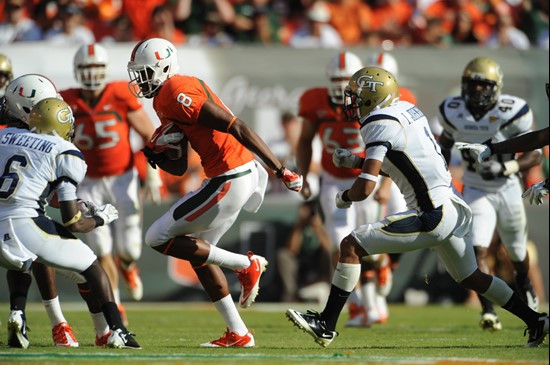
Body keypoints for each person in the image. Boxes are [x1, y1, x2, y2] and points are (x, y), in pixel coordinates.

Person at [286, 66, 549, 349]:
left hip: (431, 214)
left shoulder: (377, 122)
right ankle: (537, 321)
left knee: (350, 245)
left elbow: (365, 189)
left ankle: (326, 325)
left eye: (354, 95)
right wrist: (355, 162)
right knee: (472, 277)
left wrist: (344, 198)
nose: (349, 101)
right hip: (453, 207)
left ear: (371, 96)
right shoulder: (407, 110)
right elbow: (405, 168)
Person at [127, 38, 302, 347]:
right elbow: (179, 167)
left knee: (156, 236)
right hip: (234, 174)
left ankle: (244, 265)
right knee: (201, 254)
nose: (140, 81)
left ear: (163, 68)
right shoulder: (165, 97)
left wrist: (280, 169)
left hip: (229, 176)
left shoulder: (173, 91)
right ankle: (239, 332)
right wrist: (159, 155)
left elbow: (237, 126)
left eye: (145, 73)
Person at [0, 97, 141, 349]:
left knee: (22, 260)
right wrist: (100, 218)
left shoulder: (5, 136)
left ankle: (17, 314)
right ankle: (119, 330)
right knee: (92, 266)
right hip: (25, 223)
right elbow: (73, 221)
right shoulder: (61, 150)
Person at [437, 57, 541, 331]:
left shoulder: (513, 110)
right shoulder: (453, 110)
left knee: (517, 252)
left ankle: (525, 282)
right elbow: (444, 145)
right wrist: (441, 172)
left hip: (507, 188)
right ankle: (488, 310)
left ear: (496, 87)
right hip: (475, 187)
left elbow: (535, 154)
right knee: (478, 247)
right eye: (473, 84)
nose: (478, 90)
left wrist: (507, 165)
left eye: (484, 85)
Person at [296, 51, 399, 327]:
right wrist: (304, 175)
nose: (340, 84)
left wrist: (386, 182)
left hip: (366, 178)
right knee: (340, 242)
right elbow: (305, 140)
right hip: (333, 179)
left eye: (345, 78)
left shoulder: (370, 102)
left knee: (370, 247)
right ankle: (356, 306)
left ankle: (382, 267)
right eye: (335, 78)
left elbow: (391, 145)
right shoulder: (315, 101)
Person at [61, 44, 161, 323]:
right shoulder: (67, 100)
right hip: (88, 182)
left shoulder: (118, 93)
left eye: (96, 67)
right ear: (77, 71)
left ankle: (129, 267)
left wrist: (153, 172)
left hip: (123, 178)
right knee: (101, 249)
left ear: (104, 69)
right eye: (86, 68)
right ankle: (116, 307)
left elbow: (149, 134)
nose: (92, 74)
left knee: (129, 250)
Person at [1, 73, 84, 348]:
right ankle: (60, 324)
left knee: (21, 252)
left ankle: (19, 313)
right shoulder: (36, 141)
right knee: (37, 239)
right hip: (19, 215)